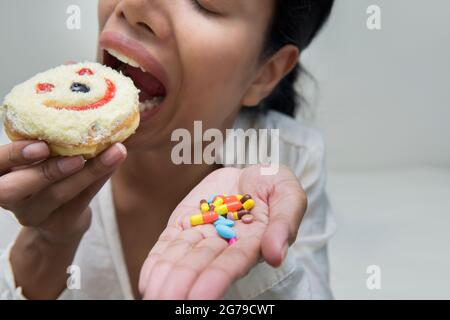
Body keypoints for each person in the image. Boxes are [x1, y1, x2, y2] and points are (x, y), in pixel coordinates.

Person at [0, 0, 335, 299]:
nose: (134, 7)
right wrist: (49, 241)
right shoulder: (33, 162)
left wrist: (259, 255)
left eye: (206, 4)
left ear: (264, 73)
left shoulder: (285, 162)